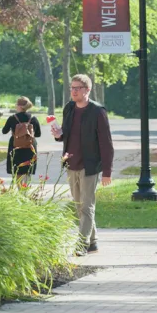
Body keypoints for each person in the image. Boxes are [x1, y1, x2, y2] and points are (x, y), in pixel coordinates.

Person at [51, 74, 114, 255]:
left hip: (90, 165)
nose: (73, 91)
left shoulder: (98, 112)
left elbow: (106, 143)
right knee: (79, 205)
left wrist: (107, 171)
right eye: (72, 88)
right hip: (71, 163)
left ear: (87, 90)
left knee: (87, 205)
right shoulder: (69, 108)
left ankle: (82, 244)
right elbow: (66, 133)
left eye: (77, 88)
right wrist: (58, 134)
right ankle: (93, 241)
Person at [2, 97, 42, 184]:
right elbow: (38, 134)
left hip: (16, 146)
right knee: (27, 169)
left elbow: (4, 131)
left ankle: (19, 191)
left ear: (19, 106)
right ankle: (25, 190)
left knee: (17, 170)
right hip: (30, 146)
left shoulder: (12, 118)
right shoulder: (33, 118)